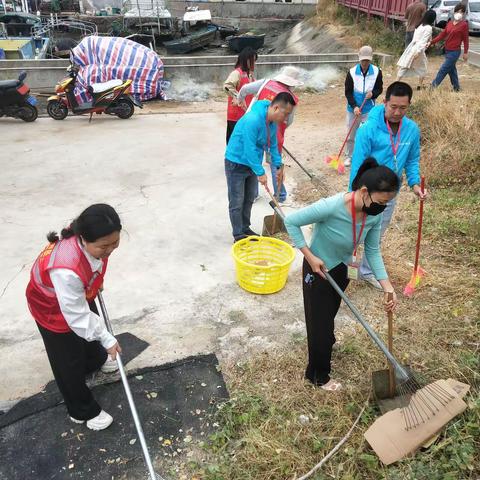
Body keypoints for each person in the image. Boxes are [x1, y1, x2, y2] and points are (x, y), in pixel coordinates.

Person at [284, 159, 399, 391]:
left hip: (343, 268)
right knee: (319, 324)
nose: (382, 208)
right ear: (364, 192)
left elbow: (373, 250)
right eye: (381, 201)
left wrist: (387, 286)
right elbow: (291, 221)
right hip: (318, 269)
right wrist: (309, 256)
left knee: (329, 314)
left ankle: (325, 344)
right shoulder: (332, 206)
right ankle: (318, 375)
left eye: (387, 203)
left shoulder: (373, 214)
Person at [26, 204, 122, 431]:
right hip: (51, 308)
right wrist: (108, 339)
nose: (110, 250)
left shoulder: (90, 239)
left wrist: (96, 279)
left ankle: (94, 362)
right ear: (84, 240)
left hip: (76, 294)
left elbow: (93, 268)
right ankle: (81, 410)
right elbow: (77, 316)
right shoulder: (66, 269)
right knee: (68, 360)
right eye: (103, 247)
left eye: (115, 243)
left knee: (90, 329)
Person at [349, 81, 427, 289]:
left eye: (403, 108)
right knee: (355, 231)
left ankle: (366, 271)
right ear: (385, 102)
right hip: (366, 192)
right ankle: (342, 265)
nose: (397, 112)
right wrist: (353, 194)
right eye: (393, 106)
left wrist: (415, 184)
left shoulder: (411, 130)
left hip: (389, 195)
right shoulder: (368, 129)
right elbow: (357, 164)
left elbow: (412, 160)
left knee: (377, 233)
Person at [225, 92, 295, 242]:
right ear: (276, 108)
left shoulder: (272, 124)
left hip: (251, 163)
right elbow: (249, 148)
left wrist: (278, 167)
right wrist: (260, 172)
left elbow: (273, 146)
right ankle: (238, 235)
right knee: (237, 200)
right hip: (236, 162)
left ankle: (245, 228)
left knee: (249, 197)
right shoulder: (253, 119)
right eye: (286, 114)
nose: (286, 118)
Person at [237, 65, 304, 202]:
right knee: (275, 162)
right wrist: (278, 130)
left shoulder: (266, 83)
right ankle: (280, 195)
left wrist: (241, 101)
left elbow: (244, 89)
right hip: (276, 133)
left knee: (254, 159)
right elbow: (288, 121)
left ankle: (253, 194)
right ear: (292, 84)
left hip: (256, 128)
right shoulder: (292, 99)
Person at [344, 45, 383, 167]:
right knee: (351, 135)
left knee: (368, 133)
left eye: (367, 60)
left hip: (368, 109)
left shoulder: (377, 72)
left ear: (370, 59)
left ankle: (366, 157)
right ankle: (349, 156)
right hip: (353, 109)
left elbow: (379, 88)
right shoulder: (351, 73)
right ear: (359, 59)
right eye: (363, 60)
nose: (365, 63)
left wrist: (373, 94)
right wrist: (354, 106)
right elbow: (348, 92)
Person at [429, 2, 469, 92]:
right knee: (451, 70)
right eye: (458, 11)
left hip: (455, 52)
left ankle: (432, 87)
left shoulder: (464, 25)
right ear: (454, 12)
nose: (460, 13)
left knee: (443, 69)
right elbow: (442, 35)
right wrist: (431, 42)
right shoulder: (450, 23)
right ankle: (457, 88)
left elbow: (466, 39)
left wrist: (466, 52)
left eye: (462, 12)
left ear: (464, 14)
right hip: (447, 50)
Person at [223, 47, 258, 144]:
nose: (254, 63)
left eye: (255, 61)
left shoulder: (250, 75)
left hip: (246, 115)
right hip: (236, 116)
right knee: (234, 143)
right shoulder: (236, 73)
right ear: (246, 60)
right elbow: (227, 86)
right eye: (252, 61)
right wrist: (238, 97)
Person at [397, 10, 437, 89]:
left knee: (405, 65)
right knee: (422, 67)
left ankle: (397, 81)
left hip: (412, 47)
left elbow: (424, 39)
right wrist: (418, 51)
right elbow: (423, 41)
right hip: (418, 49)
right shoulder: (428, 28)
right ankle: (419, 84)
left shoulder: (419, 25)